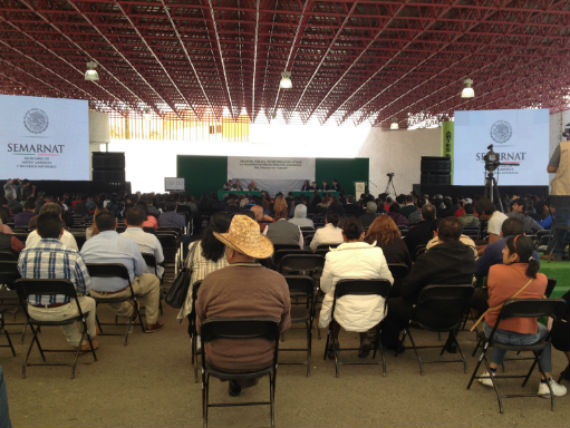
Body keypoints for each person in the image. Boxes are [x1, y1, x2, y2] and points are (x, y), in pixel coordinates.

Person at [195, 214, 291, 397]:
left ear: (230, 252)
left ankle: (235, 381)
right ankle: (243, 380)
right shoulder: (278, 281)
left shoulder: (210, 282)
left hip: (219, 359)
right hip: (263, 358)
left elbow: (201, 328)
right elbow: (284, 326)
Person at [476, 235, 567, 397]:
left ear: (515, 255)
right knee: (544, 334)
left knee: (503, 321)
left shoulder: (495, 271)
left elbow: (492, 299)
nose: (502, 250)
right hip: (527, 337)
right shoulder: (541, 279)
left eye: (505, 249)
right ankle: (545, 382)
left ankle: (491, 372)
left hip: (494, 332)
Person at [381, 217, 476, 350]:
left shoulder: (428, 259)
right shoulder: (469, 257)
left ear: (436, 233)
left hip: (426, 313)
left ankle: (391, 343)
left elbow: (407, 289)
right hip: (456, 313)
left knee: (391, 304)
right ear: (460, 236)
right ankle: (451, 341)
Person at [17, 212, 98, 351]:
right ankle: (91, 336)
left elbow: (23, 278)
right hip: (63, 310)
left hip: (33, 310)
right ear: (62, 231)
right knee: (88, 302)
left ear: (37, 231)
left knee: (62, 300)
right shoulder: (72, 255)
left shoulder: (24, 254)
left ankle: (79, 342)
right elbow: (85, 288)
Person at [318, 217, 394, 358]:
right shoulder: (377, 253)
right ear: (363, 235)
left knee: (337, 298)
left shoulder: (332, 256)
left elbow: (324, 286)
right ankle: (365, 339)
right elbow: (389, 281)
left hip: (342, 309)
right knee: (361, 296)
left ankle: (334, 340)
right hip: (371, 308)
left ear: (343, 235)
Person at [80, 211, 164, 332]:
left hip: (94, 291)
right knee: (153, 281)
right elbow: (140, 270)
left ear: (97, 227)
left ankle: (130, 311)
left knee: (108, 284)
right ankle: (151, 322)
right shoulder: (128, 244)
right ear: (116, 224)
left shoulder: (87, 245)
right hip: (122, 290)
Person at [178, 212, 230, 321]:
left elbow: (188, 267)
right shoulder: (232, 249)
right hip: (226, 301)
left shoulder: (194, 246)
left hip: (197, 301)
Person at [120, 206, 165, 279]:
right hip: (149, 278)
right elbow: (160, 260)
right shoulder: (152, 239)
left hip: (125, 279)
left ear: (125, 221)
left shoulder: (117, 239)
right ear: (143, 222)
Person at [545, 132, 570, 261]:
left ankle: (557, 252)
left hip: (563, 191)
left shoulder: (563, 147)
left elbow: (550, 168)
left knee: (561, 223)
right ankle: (554, 251)